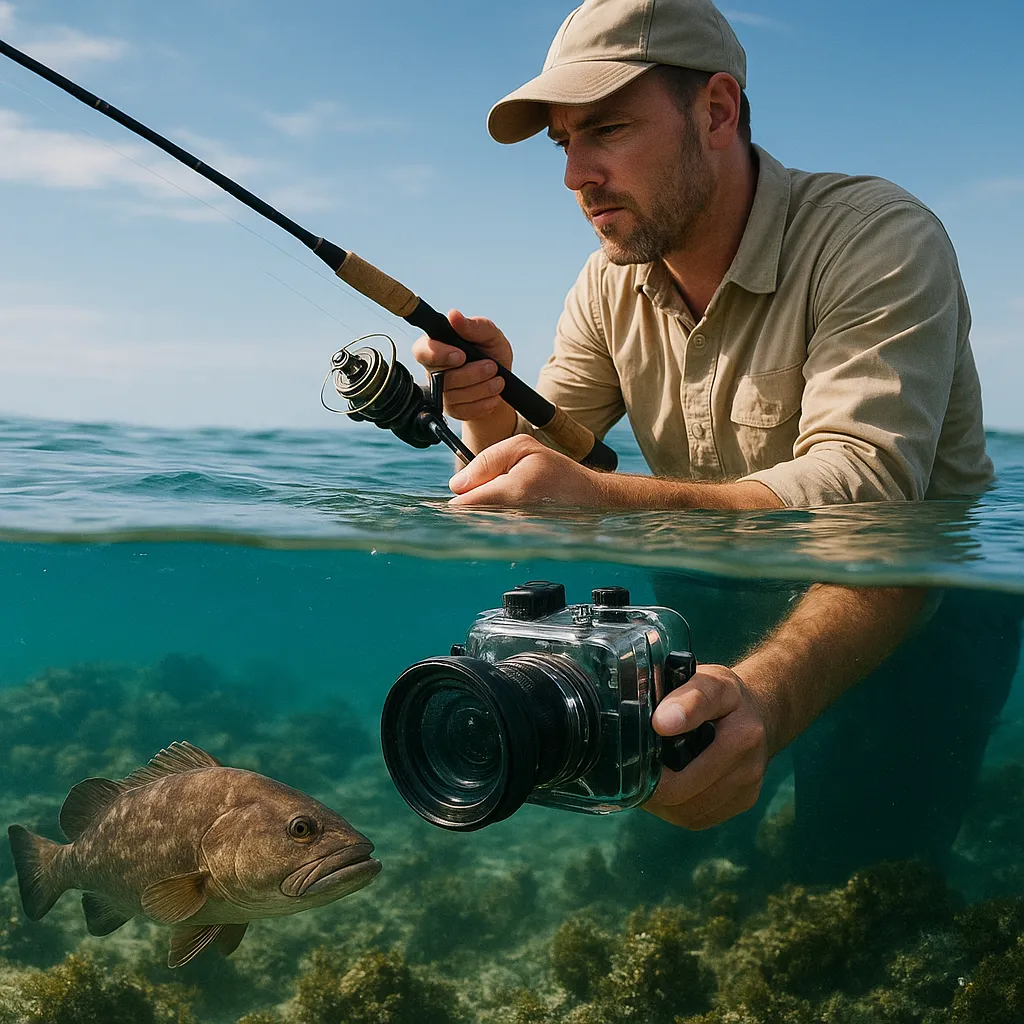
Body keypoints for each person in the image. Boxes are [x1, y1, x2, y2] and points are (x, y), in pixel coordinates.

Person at [412, 0, 1018, 879]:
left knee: (860, 880)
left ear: (718, 111)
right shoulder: (606, 281)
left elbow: (869, 494)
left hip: (918, 613)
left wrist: (598, 500)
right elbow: (568, 460)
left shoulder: (878, 235)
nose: (577, 174)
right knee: (652, 866)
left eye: (608, 128)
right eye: (563, 143)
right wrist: (490, 411)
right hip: (717, 592)